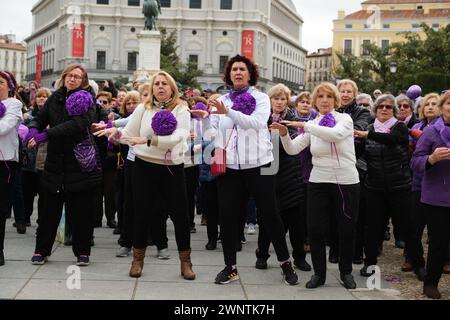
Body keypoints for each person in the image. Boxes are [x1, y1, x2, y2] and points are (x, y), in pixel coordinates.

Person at [191, 55, 299, 286]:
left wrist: (226, 112)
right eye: (234, 70)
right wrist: (207, 120)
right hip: (230, 167)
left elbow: (257, 123)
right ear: (228, 75)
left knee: (270, 215)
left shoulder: (260, 98)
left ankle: (285, 262)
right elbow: (214, 135)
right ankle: (230, 267)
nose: (238, 73)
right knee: (228, 217)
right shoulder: (223, 100)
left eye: (242, 69)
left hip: (259, 163)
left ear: (250, 74)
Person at [104, 71, 195, 280]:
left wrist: (146, 140)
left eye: (165, 84)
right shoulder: (142, 109)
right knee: (141, 212)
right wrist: (117, 135)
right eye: (157, 84)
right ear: (152, 88)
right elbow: (128, 133)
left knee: (180, 215)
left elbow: (178, 137)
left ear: (172, 88)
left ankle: (185, 262)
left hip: (172, 167)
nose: (160, 87)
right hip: (144, 167)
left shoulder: (181, 109)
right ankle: (137, 260)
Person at [272, 82, 360, 289]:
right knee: (315, 229)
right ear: (315, 101)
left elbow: (336, 135)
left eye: (329, 96)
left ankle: (346, 272)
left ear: (336, 100)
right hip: (318, 180)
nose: (324, 100)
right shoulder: (314, 123)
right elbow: (293, 149)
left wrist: (306, 125)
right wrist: (284, 134)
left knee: (346, 229)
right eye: (320, 96)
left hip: (346, 180)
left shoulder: (344, 119)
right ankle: (319, 274)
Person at [26, 64, 102, 267]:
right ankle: (41, 250)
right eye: (70, 75)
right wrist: (33, 130)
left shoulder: (87, 99)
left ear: (83, 81)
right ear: (64, 77)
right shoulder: (55, 97)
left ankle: (82, 252)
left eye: (78, 76)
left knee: (80, 213)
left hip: (79, 163)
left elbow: (79, 124)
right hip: (55, 163)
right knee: (48, 212)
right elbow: (39, 118)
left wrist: (46, 134)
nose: (73, 79)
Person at [255, 83, 311, 272]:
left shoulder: (293, 119)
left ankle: (299, 258)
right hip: (268, 171)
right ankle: (262, 254)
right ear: (270, 100)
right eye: (276, 98)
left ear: (287, 101)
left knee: (295, 219)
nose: (279, 102)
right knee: (267, 217)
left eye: (282, 99)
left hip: (290, 172)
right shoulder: (262, 118)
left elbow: (294, 144)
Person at [354, 94, 412, 278]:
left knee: (407, 227)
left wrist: (368, 134)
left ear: (394, 111)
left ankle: (417, 262)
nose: (385, 109)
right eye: (381, 107)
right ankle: (369, 263)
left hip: (399, 186)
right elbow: (357, 153)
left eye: (388, 107)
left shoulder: (400, 127)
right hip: (374, 187)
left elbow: (392, 140)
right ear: (376, 110)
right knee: (372, 228)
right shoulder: (370, 128)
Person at [411, 91, 450, 299]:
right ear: (443, 107)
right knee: (439, 242)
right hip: (436, 197)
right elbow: (415, 162)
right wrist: (432, 159)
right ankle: (430, 282)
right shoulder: (432, 132)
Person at [403, 93, 441, 280]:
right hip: (417, 183)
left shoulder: (441, 128)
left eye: (435, 104)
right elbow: (412, 156)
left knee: (437, 230)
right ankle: (414, 259)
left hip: (438, 184)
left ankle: (441, 261)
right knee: (414, 225)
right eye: (427, 104)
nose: (430, 107)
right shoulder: (417, 127)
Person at [0, 71, 23, 266]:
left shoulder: (14, 105)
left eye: (0, 82)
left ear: (9, 86)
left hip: (4, 161)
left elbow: (4, 128)